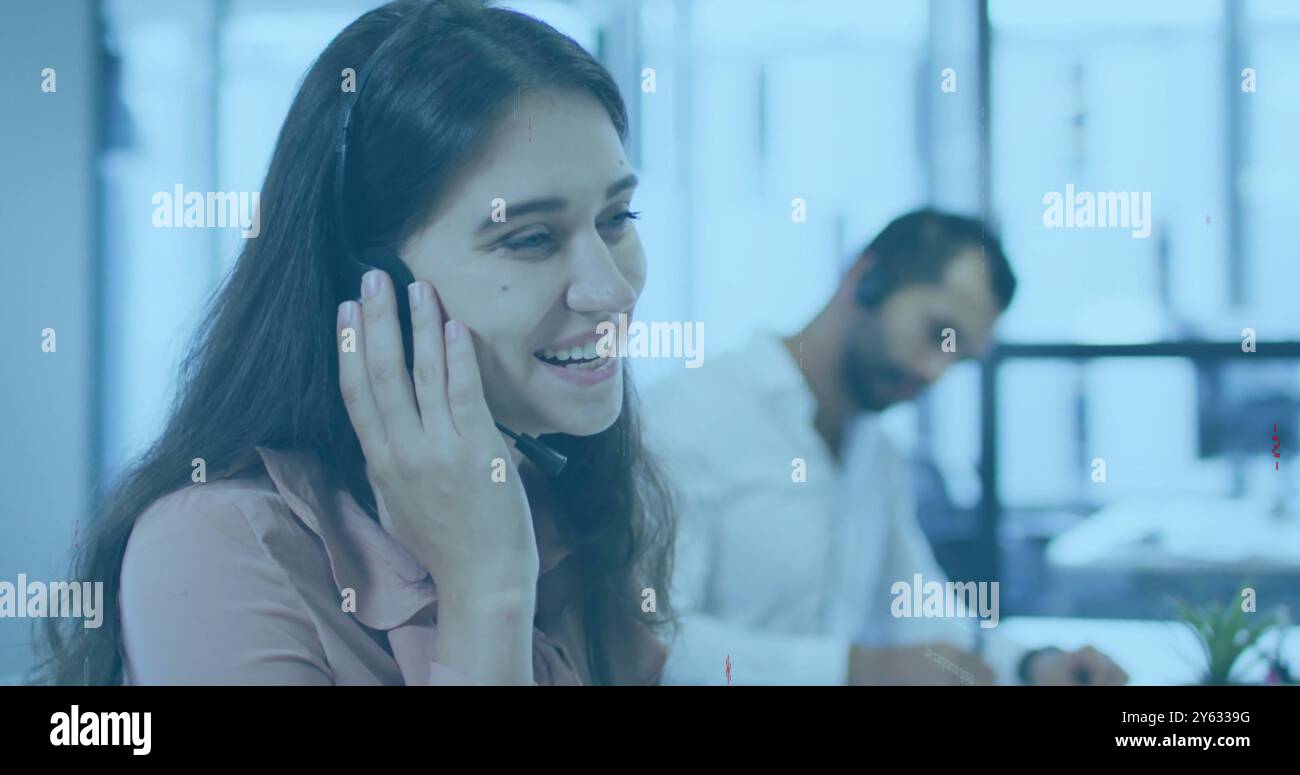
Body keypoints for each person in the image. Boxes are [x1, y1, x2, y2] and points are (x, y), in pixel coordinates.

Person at [34, 0, 674, 686]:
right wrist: (485, 594)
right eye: (531, 239)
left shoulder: (557, 488)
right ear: (368, 283)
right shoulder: (214, 548)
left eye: (616, 218)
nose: (610, 289)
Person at [645, 209, 1128, 686]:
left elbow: (922, 616)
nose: (936, 372)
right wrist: (855, 671)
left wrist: (1032, 665)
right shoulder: (691, 417)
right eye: (938, 333)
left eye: (958, 355)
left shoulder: (876, 455)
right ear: (866, 279)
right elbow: (647, 644)